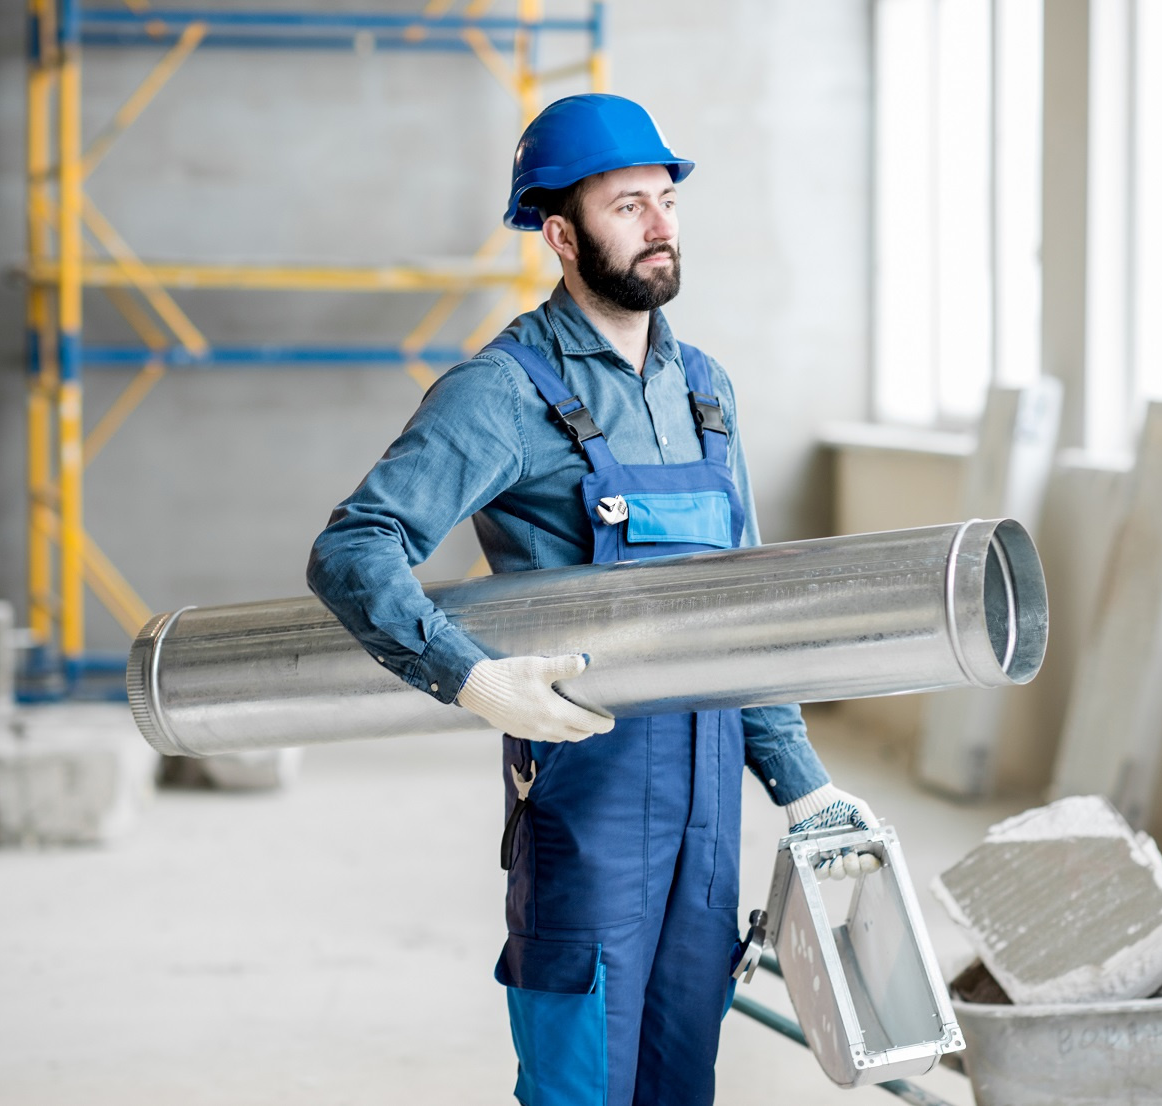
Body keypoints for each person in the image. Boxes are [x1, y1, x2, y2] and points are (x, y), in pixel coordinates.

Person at [308, 93, 877, 1106]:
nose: (660, 226)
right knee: (579, 1083)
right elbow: (355, 547)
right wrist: (468, 674)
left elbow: (738, 612)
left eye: (666, 199)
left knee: (679, 1077)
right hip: (590, 801)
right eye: (628, 206)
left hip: (708, 811)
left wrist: (803, 784)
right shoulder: (502, 392)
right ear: (563, 235)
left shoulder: (705, 389)